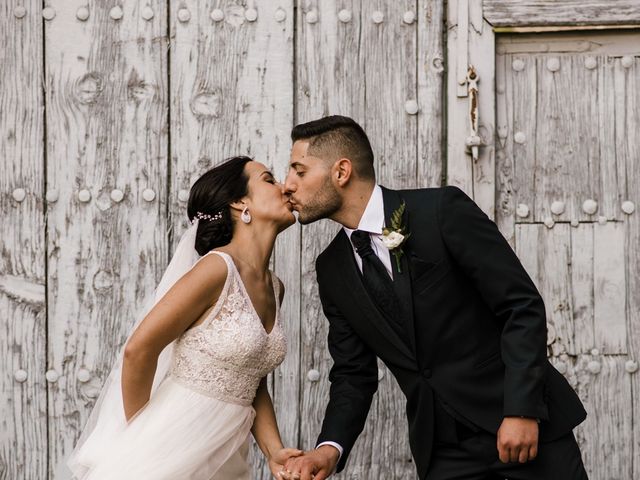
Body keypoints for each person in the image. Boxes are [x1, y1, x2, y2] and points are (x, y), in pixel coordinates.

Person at [280, 116, 588, 480]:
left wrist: (521, 410)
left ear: (341, 171)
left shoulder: (440, 211)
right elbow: (353, 373)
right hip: (443, 453)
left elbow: (520, 306)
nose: (288, 186)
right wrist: (328, 450)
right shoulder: (331, 268)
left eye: (299, 171)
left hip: (525, 430)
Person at [63, 156, 302, 479]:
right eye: (269, 179)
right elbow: (139, 350)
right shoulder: (216, 269)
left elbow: (251, 378)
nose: (285, 187)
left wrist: (274, 452)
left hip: (225, 454)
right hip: (170, 443)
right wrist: (141, 435)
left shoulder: (275, 288)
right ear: (239, 201)